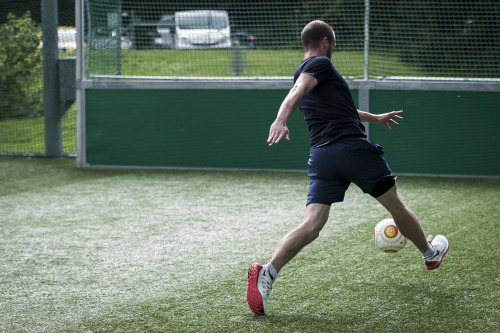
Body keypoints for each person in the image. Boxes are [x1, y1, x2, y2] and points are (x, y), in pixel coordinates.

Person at [246, 20, 449, 316]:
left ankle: (268, 271)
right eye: (334, 41)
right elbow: (296, 93)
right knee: (395, 205)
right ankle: (430, 254)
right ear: (326, 41)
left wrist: (374, 118)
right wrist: (280, 119)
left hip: (322, 156)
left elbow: (340, 109)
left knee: (312, 224)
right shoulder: (320, 65)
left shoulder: (305, 73)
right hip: (352, 150)